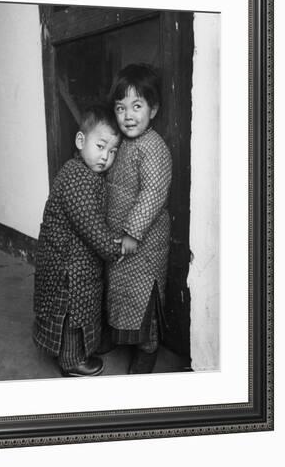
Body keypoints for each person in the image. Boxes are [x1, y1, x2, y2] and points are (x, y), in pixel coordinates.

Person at [33, 105, 123, 377]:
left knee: (85, 306)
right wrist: (112, 247)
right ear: (81, 141)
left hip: (76, 258)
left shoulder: (87, 174)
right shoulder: (76, 178)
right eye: (100, 146)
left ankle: (85, 347)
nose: (105, 157)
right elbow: (91, 224)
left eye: (112, 152)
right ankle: (71, 361)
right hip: (66, 265)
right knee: (73, 311)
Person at [104, 64, 172, 374]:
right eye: (121, 108)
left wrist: (132, 232)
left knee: (144, 303)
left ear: (153, 109)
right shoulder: (122, 142)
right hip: (120, 241)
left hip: (144, 246)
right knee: (120, 295)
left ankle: (147, 351)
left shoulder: (153, 148)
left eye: (137, 106)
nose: (128, 115)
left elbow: (153, 193)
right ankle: (120, 336)